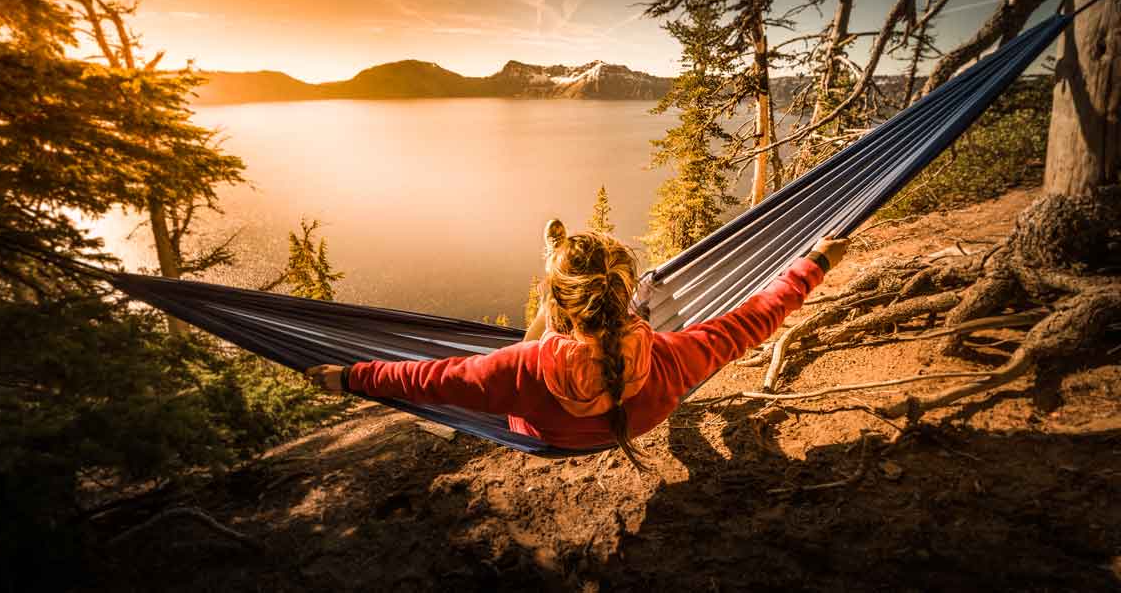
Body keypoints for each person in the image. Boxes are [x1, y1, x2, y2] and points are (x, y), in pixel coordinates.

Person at [306, 220, 847, 470]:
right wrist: (814, 264)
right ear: (626, 297)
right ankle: (571, 270)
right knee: (599, 329)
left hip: (548, 431)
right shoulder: (672, 355)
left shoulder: (516, 372)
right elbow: (755, 316)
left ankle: (554, 265)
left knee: (533, 343)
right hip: (635, 418)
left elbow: (427, 379)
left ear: (560, 301)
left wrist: (350, 377)